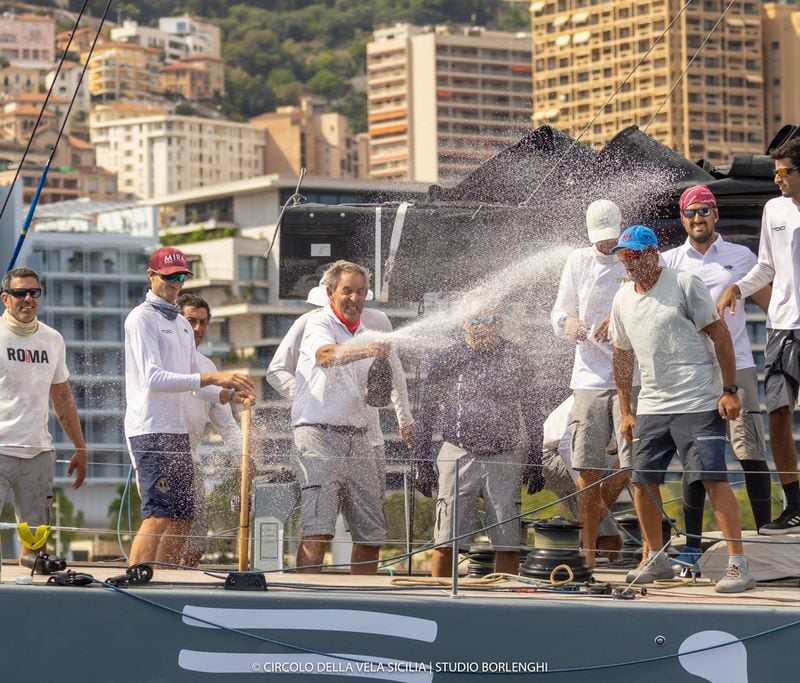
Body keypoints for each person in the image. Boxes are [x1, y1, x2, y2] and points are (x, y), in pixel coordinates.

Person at [610, 225, 755, 592]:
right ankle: (656, 558)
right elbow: (622, 356)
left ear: (652, 254)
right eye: (623, 256)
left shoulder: (684, 283)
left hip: (698, 400)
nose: (628, 262)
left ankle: (738, 565)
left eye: (634, 255)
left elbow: (720, 335)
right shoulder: (622, 298)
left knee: (712, 478)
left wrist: (730, 390)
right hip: (653, 404)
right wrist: (626, 410)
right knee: (641, 480)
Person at [663, 185, 773, 564]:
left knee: (749, 451)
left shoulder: (742, 257)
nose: (698, 218)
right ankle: (691, 547)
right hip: (691, 371)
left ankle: (765, 540)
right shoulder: (669, 261)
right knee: (696, 456)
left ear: (715, 215)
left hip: (738, 364)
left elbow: (772, 304)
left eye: (704, 211)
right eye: (690, 212)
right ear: (682, 219)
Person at [124, 247, 254, 566]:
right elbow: (154, 378)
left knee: (183, 517)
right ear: (151, 276)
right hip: (150, 430)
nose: (175, 283)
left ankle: (166, 577)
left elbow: (195, 384)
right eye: (168, 276)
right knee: (158, 515)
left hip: (178, 435)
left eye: (181, 276)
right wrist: (216, 377)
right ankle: (136, 578)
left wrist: (227, 395)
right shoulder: (141, 318)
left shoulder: (181, 326)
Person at [414, 310, 544, 577]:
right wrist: (421, 461)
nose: (481, 327)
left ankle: (503, 595)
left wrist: (536, 458)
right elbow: (427, 411)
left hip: (505, 456)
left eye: (489, 320)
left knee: (507, 543)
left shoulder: (515, 356)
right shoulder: (448, 357)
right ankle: (439, 595)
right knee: (446, 541)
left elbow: (532, 411)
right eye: (474, 320)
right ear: (464, 324)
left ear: (499, 323)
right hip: (458, 452)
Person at [290, 260, 397, 574]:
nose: (355, 298)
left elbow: (379, 393)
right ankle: (304, 595)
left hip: (360, 437)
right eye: (347, 291)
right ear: (330, 293)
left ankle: (360, 596)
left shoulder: (368, 331)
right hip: (317, 434)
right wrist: (368, 350)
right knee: (319, 530)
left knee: (371, 533)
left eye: (361, 292)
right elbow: (325, 356)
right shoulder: (318, 322)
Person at [719, 138, 800, 535]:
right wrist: (738, 287)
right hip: (782, 326)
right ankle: (795, 504)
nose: (777, 178)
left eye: (784, 171)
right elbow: (766, 266)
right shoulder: (774, 209)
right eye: (775, 172)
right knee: (778, 414)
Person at [550, 199, 635, 566]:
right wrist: (567, 324)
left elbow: (646, 304)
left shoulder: (633, 257)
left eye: (611, 237)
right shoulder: (577, 260)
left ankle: (636, 548)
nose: (607, 244)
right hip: (587, 377)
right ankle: (587, 555)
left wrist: (618, 320)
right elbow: (558, 312)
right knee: (586, 466)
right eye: (601, 238)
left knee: (633, 463)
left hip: (631, 376)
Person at [0, 267, 87, 566]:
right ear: (5, 299)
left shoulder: (52, 339)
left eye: (34, 292)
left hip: (37, 450)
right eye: (20, 293)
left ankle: (29, 583)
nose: (28, 298)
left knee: (36, 541)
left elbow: (62, 398)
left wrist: (80, 447)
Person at [177, 293, 243, 567]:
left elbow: (226, 423)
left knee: (195, 545)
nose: (197, 328)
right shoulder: (162, 360)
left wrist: (244, 457)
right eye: (190, 321)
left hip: (191, 460)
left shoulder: (207, 366)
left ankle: (179, 582)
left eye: (203, 322)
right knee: (165, 532)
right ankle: (157, 581)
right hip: (159, 455)